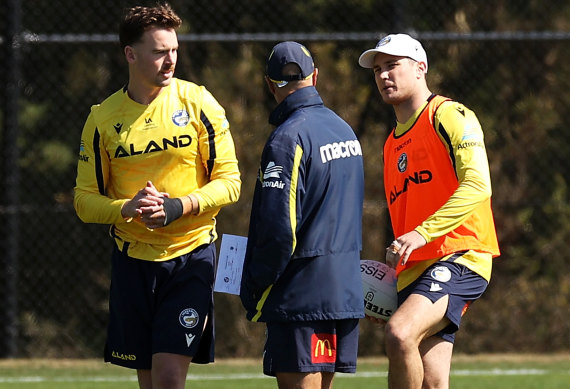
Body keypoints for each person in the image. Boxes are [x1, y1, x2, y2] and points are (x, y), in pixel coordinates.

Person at [74, 3, 241, 388]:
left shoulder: (198, 102)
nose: (171, 61)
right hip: (133, 263)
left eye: (175, 51)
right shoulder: (102, 118)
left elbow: (230, 181)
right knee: (149, 381)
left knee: (168, 378)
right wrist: (127, 208)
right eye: (159, 52)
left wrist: (177, 207)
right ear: (130, 55)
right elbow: (84, 200)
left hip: (191, 256)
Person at [358, 34, 500, 389]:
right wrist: (391, 284)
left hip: (461, 253)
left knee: (399, 333)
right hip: (415, 269)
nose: (383, 75)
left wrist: (422, 232)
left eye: (393, 65)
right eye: (377, 69)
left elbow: (478, 185)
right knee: (432, 382)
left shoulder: (449, 114)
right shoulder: (391, 145)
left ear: (420, 68)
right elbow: (404, 217)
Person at [240, 41, 365, 389]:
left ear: (269, 83)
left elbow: (280, 230)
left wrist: (254, 286)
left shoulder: (287, 138)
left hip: (301, 296)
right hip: (342, 290)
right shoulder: (345, 131)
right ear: (316, 76)